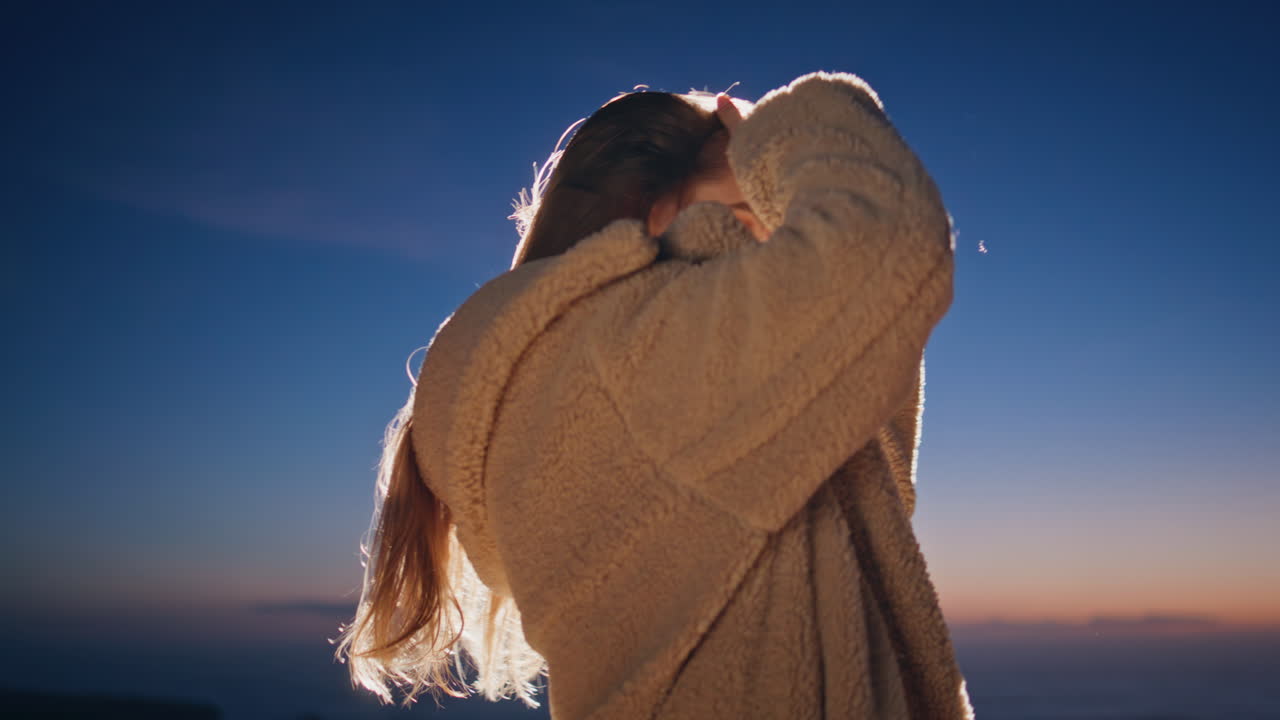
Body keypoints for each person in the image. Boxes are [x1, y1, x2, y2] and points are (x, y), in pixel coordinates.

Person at [335, 70, 975, 719]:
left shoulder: (571, 384)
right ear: (657, 212)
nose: (772, 253)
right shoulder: (628, 362)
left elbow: (867, 468)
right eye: (748, 217)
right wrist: (791, 124)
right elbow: (889, 246)